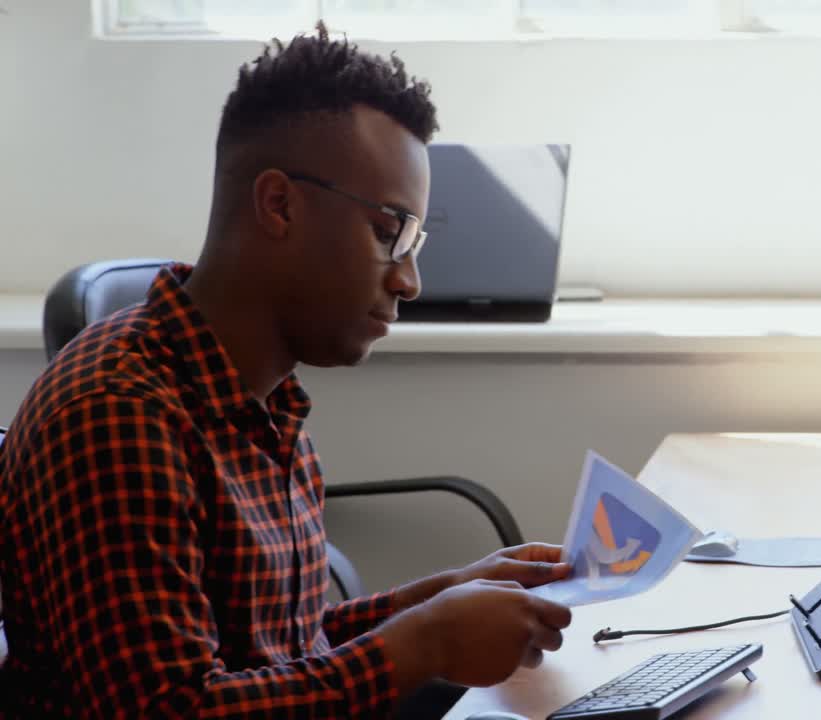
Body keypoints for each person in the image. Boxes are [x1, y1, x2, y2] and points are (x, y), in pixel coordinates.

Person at [0, 23, 573, 718]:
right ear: (280, 205)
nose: (410, 279)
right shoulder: (118, 412)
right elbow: (169, 710)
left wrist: (438, 601)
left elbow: (276, 654)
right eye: (388, 230)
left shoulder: (264, 398)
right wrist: (422, 644)